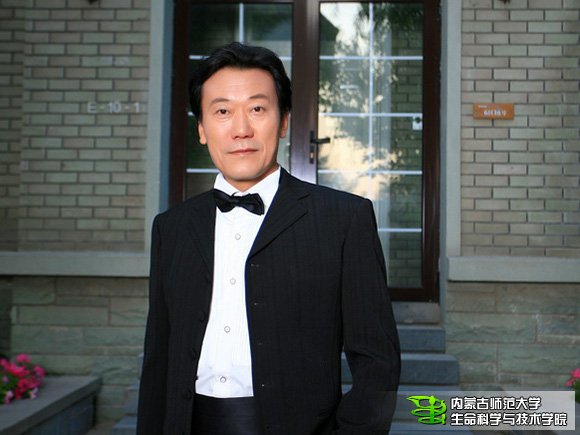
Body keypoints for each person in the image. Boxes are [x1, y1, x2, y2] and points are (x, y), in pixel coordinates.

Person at [137, 42, 401, 435]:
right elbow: (159, 359)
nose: (241, 129)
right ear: (202, 130)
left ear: (283, 121)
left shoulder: (344, 219)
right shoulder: (171, 228)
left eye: (257, 109)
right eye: (222, 112)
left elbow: (378, 361)